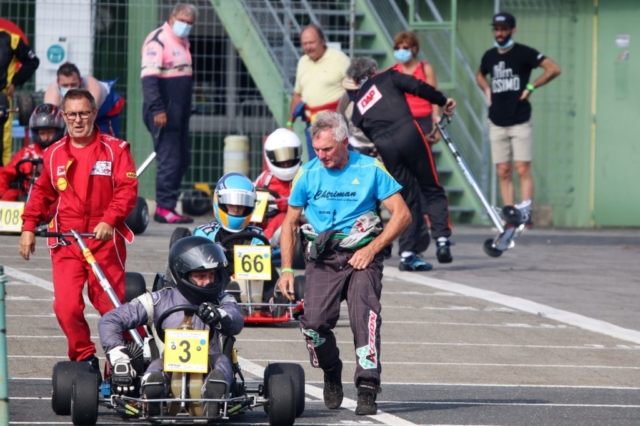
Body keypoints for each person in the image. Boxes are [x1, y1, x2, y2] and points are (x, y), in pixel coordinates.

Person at [277, 111, 411, 416]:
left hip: (362, 255)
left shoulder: (370, 168)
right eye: (316, 149)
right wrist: (286, 270)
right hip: (323, 256)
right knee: (313, 325)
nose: (321, 155)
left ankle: (367, 386)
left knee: (365, 316)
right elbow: (290, 223)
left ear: (344, 143)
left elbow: (403, 215)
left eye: (327, 149)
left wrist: (372, 249)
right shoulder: (307, 173)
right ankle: (331, 368)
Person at [18, 88, 138, 369]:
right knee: (66, 307)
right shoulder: (53, 153)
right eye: (72, 114)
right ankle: (84, 358)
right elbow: (41, 194)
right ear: (63, 116)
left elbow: (127, 190)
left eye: (84, 113)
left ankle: (124, 357)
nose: (78, 120)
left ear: (94, 113)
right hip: (66, 240)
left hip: (104, 238)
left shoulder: (116, 149)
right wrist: (28, 226)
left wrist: (109, 219)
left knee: (110, 305)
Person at [99, 236, 243, 415]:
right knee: (157, 367)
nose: (208, 282)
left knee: (222, 361)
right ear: (182, 274)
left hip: (209, 363)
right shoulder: (158, 300)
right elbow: (110, 320)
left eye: (211, 275)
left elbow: (236, 318)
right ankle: (153, 392)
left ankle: (212, 394)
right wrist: (119, 357)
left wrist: (219, 316)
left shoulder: (221, 300)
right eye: (201, 276)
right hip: (166, 362)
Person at [347, 57, 456, 270]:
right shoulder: (388, 76)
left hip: (386, 147)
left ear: (355, 80)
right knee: (431, 186)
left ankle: (407, 254)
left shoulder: (357, 109)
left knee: (406, 198)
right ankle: (442, 240)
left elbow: (368, 131)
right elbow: (418, 86)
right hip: (408, 131)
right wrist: (442, 101)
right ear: (374, 69)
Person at [476, 12, 561, 224]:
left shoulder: (524, 53)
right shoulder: (489, 56)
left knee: (522, 168)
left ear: (513, 30)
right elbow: (480, 75)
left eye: (504, 29)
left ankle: (525, 213)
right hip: (497, 121)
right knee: (503, 171)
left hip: (520, 119)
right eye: (496, 29)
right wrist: (487, 90)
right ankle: (510, 215)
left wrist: (531, 86)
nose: (500, 33)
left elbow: (553, 68)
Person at [141, 3, 197, 224]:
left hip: (178, 113)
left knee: (182, 159)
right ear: (172, 18)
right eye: (183, 21)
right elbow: (149, 80)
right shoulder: (158, 40)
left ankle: (169, 205)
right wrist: (157, 109)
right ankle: (164, 208)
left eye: (190, 23)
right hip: (163, 114)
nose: (186, 26)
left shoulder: (183, 41)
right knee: (170, 160)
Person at [193, 172, 278, 308]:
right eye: (231, 202)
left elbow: (261, 266)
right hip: (217, 283)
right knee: (212, 269)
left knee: (268, 266)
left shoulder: (256, 234)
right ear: (220, 201)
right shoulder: (205, 233)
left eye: (242, 203)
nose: (236, 208)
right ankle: (229, 295)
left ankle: (274, 300)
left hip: (250, 285)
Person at [286, 25, 350, 160]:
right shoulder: (303, 62)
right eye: (304, 44)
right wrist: (289, 123)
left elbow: (354, 90)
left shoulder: (339, 59)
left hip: (336, 126)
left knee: (341, 162)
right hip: (312, 127)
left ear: (322, 41)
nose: (308, 47)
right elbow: (297, 95)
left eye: (311, 42)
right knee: (317, 163)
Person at [0, 103, 65, 201]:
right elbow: (5, 174)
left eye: (50, 132)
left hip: (55, 198)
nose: (46, 137)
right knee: (10, 195)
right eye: (42, 133)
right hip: (28, 195)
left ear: (58, 130)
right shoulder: (26, 153)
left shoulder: (65, 152)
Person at [43, 62, 125, 137]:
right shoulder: (51, 95)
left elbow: (89, 114)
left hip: (104, 109)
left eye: (73, 84)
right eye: (65, 85)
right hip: (78, 112)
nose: (69, 88)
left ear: (80, 80)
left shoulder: (93, 87)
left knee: (107, 139)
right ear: (58, 82)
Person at [0, 18, 40, 166]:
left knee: (2, 144)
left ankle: (2, 176)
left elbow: (32, 61)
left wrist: (15, 82)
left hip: (1, 99)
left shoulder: (11, 39)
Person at [254, 128, 303, 247]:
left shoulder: (304, 176)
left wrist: (285, 205)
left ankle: (263, 245)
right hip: (269, 227)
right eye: (281, 159)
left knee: (284, 218)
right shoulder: (265, 179)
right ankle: (257, 244)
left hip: (298, 227)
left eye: (289, 158)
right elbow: (253, 206)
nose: (285, 163)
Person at [391, 31, 441, 143]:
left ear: (414, 49)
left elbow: (435, 98)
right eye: (397, 48)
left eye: (405, 48)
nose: (400, 51)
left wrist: (436, 125)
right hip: (401, 121)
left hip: (423, 120)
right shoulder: (393, 71)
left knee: (423, 151)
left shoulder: (425, 68)